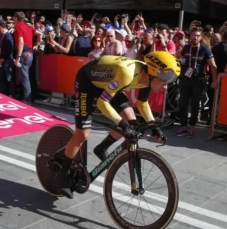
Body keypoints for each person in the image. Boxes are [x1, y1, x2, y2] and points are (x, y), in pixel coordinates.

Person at [60, 51, 181, 199]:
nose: (165, 86)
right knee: (83, 133)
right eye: (164, 80)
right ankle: (63, 174)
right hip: (87, 82)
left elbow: (142, 103)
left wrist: (154, 127)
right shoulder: (127, 73)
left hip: (108, 82)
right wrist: (123, 125)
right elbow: (102, 103)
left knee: (132, 122)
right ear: (153, 72)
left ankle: (102, 148)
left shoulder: (148, 78)